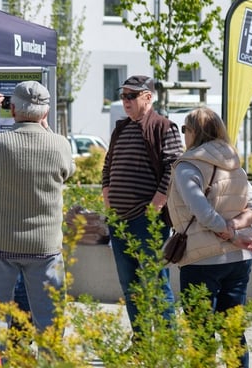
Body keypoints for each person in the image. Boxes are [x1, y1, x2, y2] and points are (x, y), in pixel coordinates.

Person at [0, 81, 74, 350]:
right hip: (45, 247)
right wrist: (47, 129)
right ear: (45, 113)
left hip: (0, 244)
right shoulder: (60, 145)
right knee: (50, 322)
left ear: (12, 110)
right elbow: (69, 170)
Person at [168, 107, 252, 368]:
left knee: (200, 335)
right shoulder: (235, 165)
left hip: (201, 261)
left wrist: (229, 233)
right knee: (234, 333)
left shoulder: (187, 167)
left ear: (194, 132)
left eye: (184, 129)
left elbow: (203, 213)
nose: (183, 134)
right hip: (240, 259)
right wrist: (235, 228)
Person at [102, 75, 183, 332]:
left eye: (131, 96)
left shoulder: (164, 127)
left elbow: (173, 168)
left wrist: (156, 205)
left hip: (145, 222)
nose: (125, 101)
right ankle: (140, 342)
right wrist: (107, 196)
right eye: (123, 96)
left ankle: (166, 344)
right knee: (130, 285)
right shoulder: (121, 128)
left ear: (148, 97)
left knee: (157, 284)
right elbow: (107, 166)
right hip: (119, 221)